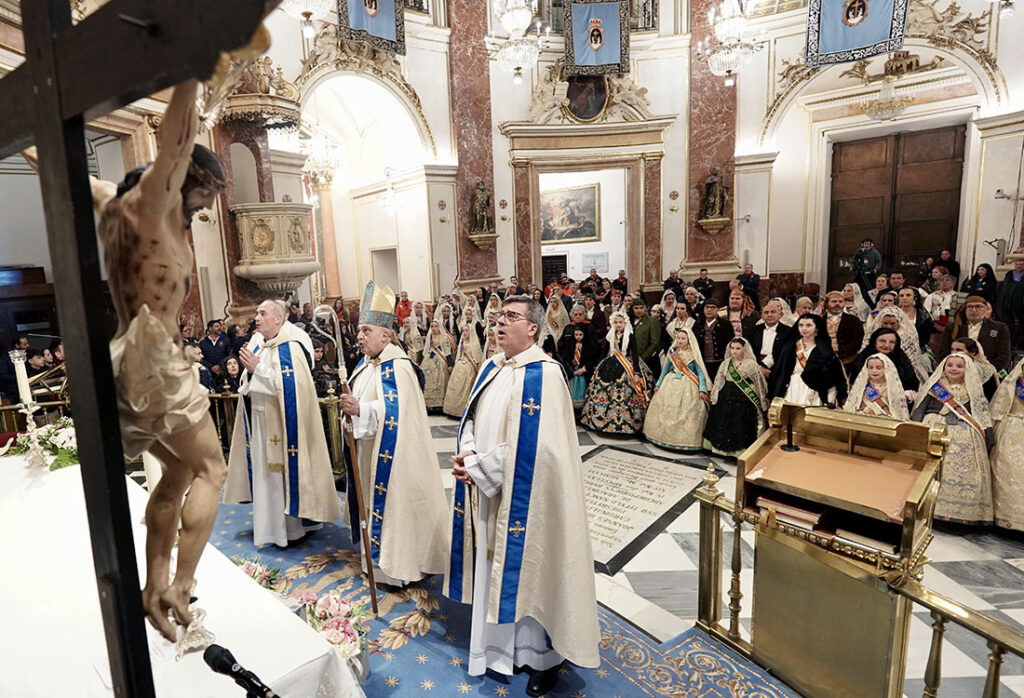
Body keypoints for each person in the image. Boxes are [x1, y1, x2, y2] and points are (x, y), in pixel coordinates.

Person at [23, 80, 234, 641]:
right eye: (201, 200)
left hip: (121, 358)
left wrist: (28, 120)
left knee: (179, 470)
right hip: (154, 358)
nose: (199, 212)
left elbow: (53, 163)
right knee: (212, 469)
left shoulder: (111, 205)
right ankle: (180, 586)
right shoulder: (154, 206)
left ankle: (153, 584)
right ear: (184, 181)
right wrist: (190, 71)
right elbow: (177, 140)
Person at [447, 295, 600, 696]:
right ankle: (498, 648)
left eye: (511, 317)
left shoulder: (545, 374)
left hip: (530, 499)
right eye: (499, 316)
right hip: (489, 490)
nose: (499, 323)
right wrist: (468, 451)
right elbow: (471, 417)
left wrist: (479, 467)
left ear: (533, 329)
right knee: (495, 565)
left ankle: (541, 659)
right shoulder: (491, 367)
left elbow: (540, 449)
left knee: (533, 569)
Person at [339, 282, 449, 587]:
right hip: (368, 452)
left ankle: (399, 570)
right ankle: (373, 564)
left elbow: (397, 416)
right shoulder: (364, 365)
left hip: (396, 459)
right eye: (359, 331)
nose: (359, 337)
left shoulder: (398, 367)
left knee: (394, 510)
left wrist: (361, 410)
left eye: (366, 331)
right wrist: (349, 412)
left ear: (386, 336)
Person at [225, 298, 341, 548]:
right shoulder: (259, 344)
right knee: (266, 477)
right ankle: (271, 529)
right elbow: (247, 384)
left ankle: (292, 529)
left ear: (278, 318)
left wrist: (258, 369)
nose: (257, 318)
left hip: (285, 425)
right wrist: (251, 371)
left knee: (282, 475)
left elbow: (292, 389)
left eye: (262, 313)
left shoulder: (292, 347)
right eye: (257, 313)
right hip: (260, 421)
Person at [911, 353, 994, 524]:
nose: (954, 369)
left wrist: (988, 433)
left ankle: (959, 512)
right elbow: (920, 408)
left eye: (959, 366)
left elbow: (981, 413)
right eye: (950, 365)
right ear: (943, 367)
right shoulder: (935, 386)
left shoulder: (973, 388)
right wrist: (915, 427)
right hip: (935, 427)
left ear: (967, 369)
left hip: (965, 431)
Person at [581, 311, 654, 435]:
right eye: (616, 322)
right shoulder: (610, 335)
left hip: (626, 364)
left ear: (625, 323)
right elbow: (605, 351)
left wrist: (636, 372)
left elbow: (635, 354)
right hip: (610, 362)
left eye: (621, 322)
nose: (618, 324)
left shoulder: (630, 336)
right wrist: (599, 366)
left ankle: (628, 423)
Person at [641, 327, 711, 451]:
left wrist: (702, 389)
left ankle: (683, 441)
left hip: (689, 385)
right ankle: (661, 437)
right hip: (670, 382)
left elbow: (700, 373)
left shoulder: (693, 354)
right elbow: (665, 369)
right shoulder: (672, 352)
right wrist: (658, 384)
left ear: (689, 340)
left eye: (683, 338)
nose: (680, 340)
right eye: (678, 338)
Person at [703, 337, 769, 456]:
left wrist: (763, 400)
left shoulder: (751, 364)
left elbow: (759, 382)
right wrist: (715, 395)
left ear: (744, 349)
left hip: (744, 397)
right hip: (726, 395)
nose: (734, 351)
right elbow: (719, 380)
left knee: (741, 422)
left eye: (738, 348)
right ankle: (721, 450)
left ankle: (740, 451)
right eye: (732, 348)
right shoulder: (726, 363)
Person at [768, 313, 848, 407]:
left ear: (816, 328)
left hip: (815, 388)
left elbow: (835, 373)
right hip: (793, 386)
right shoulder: (790, 347)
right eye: (801, 325)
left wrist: (841, 393)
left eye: (808, 325)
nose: (804, 328)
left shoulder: (824, 350)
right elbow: (780, 369)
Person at [988, 355, 1024, 531]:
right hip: (1010, 430)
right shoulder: (1012, 385)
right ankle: (1003, 518)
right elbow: (997, 408)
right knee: (1006, 470)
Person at [937, 296, 1012, 372]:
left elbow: (1003, 356)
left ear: (986, 309)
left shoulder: (1000, 328)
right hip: (956, 371)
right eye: (970, 307)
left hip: (988, 372)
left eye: (978, 307)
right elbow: (943, 352)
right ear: (965, 309)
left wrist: (986, 371)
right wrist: (955, 368)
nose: (974, 310)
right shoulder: (952, 327)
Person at [848, 328, 920, 397]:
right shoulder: (864, 357)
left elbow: (910, 382)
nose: (887, 345)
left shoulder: (900, 357)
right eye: (882, 341)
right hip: (867, 399)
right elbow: (855, 382)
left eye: (892, 342)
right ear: (874, 342)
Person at [843, 353, 910, 420]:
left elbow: (897, 412)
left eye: (878, 368)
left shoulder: (892, 387)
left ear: (886, 368)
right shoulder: (862, 386)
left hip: (885, 421)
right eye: (871, 368)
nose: (874, 371)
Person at [444, 323, 484, 418]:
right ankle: (453, 410)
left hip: (469, 368)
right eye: (463, 331)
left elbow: (477, 359)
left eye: (467, 331)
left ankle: (463, 410)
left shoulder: (475, 343)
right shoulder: (462, 342)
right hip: (460, 366)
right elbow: (459, 355)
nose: (464, 333)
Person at [745, 298, 793, 377]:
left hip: (779, 371)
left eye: (773, 312)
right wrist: (759, 368)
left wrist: (771, 368)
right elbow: (748, 351)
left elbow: (788, 354)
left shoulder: (789, 332)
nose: (769, 315)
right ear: (762, 316)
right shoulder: (753, 330)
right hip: (756, 369)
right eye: (766, 312)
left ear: (780, 315)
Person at [558, 325, 599, 413]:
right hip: (572, 372)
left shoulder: (590, 344)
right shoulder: (570, 344)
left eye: (580, 335)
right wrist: (571, 370)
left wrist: (584, 369)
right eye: (576, 335)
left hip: (584, 372)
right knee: (571, 392)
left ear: (584, 334)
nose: (578, 337)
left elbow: (593, 359)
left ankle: (581, 412)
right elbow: (565, 359)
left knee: (582, 392)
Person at [692, 298, 733, 380]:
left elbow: (730, 343)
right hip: (702, 362)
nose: (709, 310)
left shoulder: (725, 325)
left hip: (720, 362)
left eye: (713, 307)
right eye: (707, 307)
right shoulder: (697, 325)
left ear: (718, 310)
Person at [421, 320, 455, 412]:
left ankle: (439, 405)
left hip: (441, 360)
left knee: (440, 379)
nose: (434, 328)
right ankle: (428, 404)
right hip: (429, 359)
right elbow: (426, 350)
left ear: (439, 327)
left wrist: (450, 364)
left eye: (436, 326)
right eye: (432, 326)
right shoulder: (430, 337)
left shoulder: (443, 337)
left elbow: (447, 352)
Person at [822, 291, 864, 365]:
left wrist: (840, 354)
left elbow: (857, 340)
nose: (837, 304)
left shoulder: (853, 320)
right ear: (827, 303)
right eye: (834, 301)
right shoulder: (820, 320)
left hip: (847, 360)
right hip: (823, 359)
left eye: (840, 301)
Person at [632, 299, 663, 376]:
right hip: (631, 359)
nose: (639, 310)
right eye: (636, 308)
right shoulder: (628, 320)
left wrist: (642, 358)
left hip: (648, 360)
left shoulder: (652, 321)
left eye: (641, 308)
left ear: (645, 308)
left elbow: (655, 343)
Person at [1000, 259, 1024, 349]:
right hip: (1007, 305)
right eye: (1017, 264)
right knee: (1008, 325)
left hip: (1020, 305)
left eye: (1022, 264)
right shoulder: (1009, 275)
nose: (1019, 266)